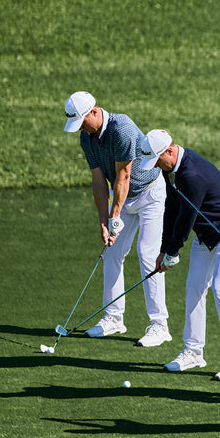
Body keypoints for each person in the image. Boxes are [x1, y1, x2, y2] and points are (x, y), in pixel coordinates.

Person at [138, 130, 220, 382]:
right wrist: (164, 249)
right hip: (206, 235)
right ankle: (193, 351)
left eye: (157, 159)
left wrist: (173, 252)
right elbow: (171, 208)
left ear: (169, 150)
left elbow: (185, 219)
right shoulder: (171, 169)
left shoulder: (191, 174)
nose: (156, 165)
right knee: (194, 287)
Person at [63, 90, 169, 346]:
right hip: (124, 198)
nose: (83, 128)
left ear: (95, 111)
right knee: (111, 253)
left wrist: (115, 216)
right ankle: (113, 318)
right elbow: (99, 181)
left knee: (147, 254)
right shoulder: (87, 138)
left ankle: (160, 325)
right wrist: (103, 221)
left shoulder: (122, 128)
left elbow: (124, 176)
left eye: (83, 121)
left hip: (149, 194)